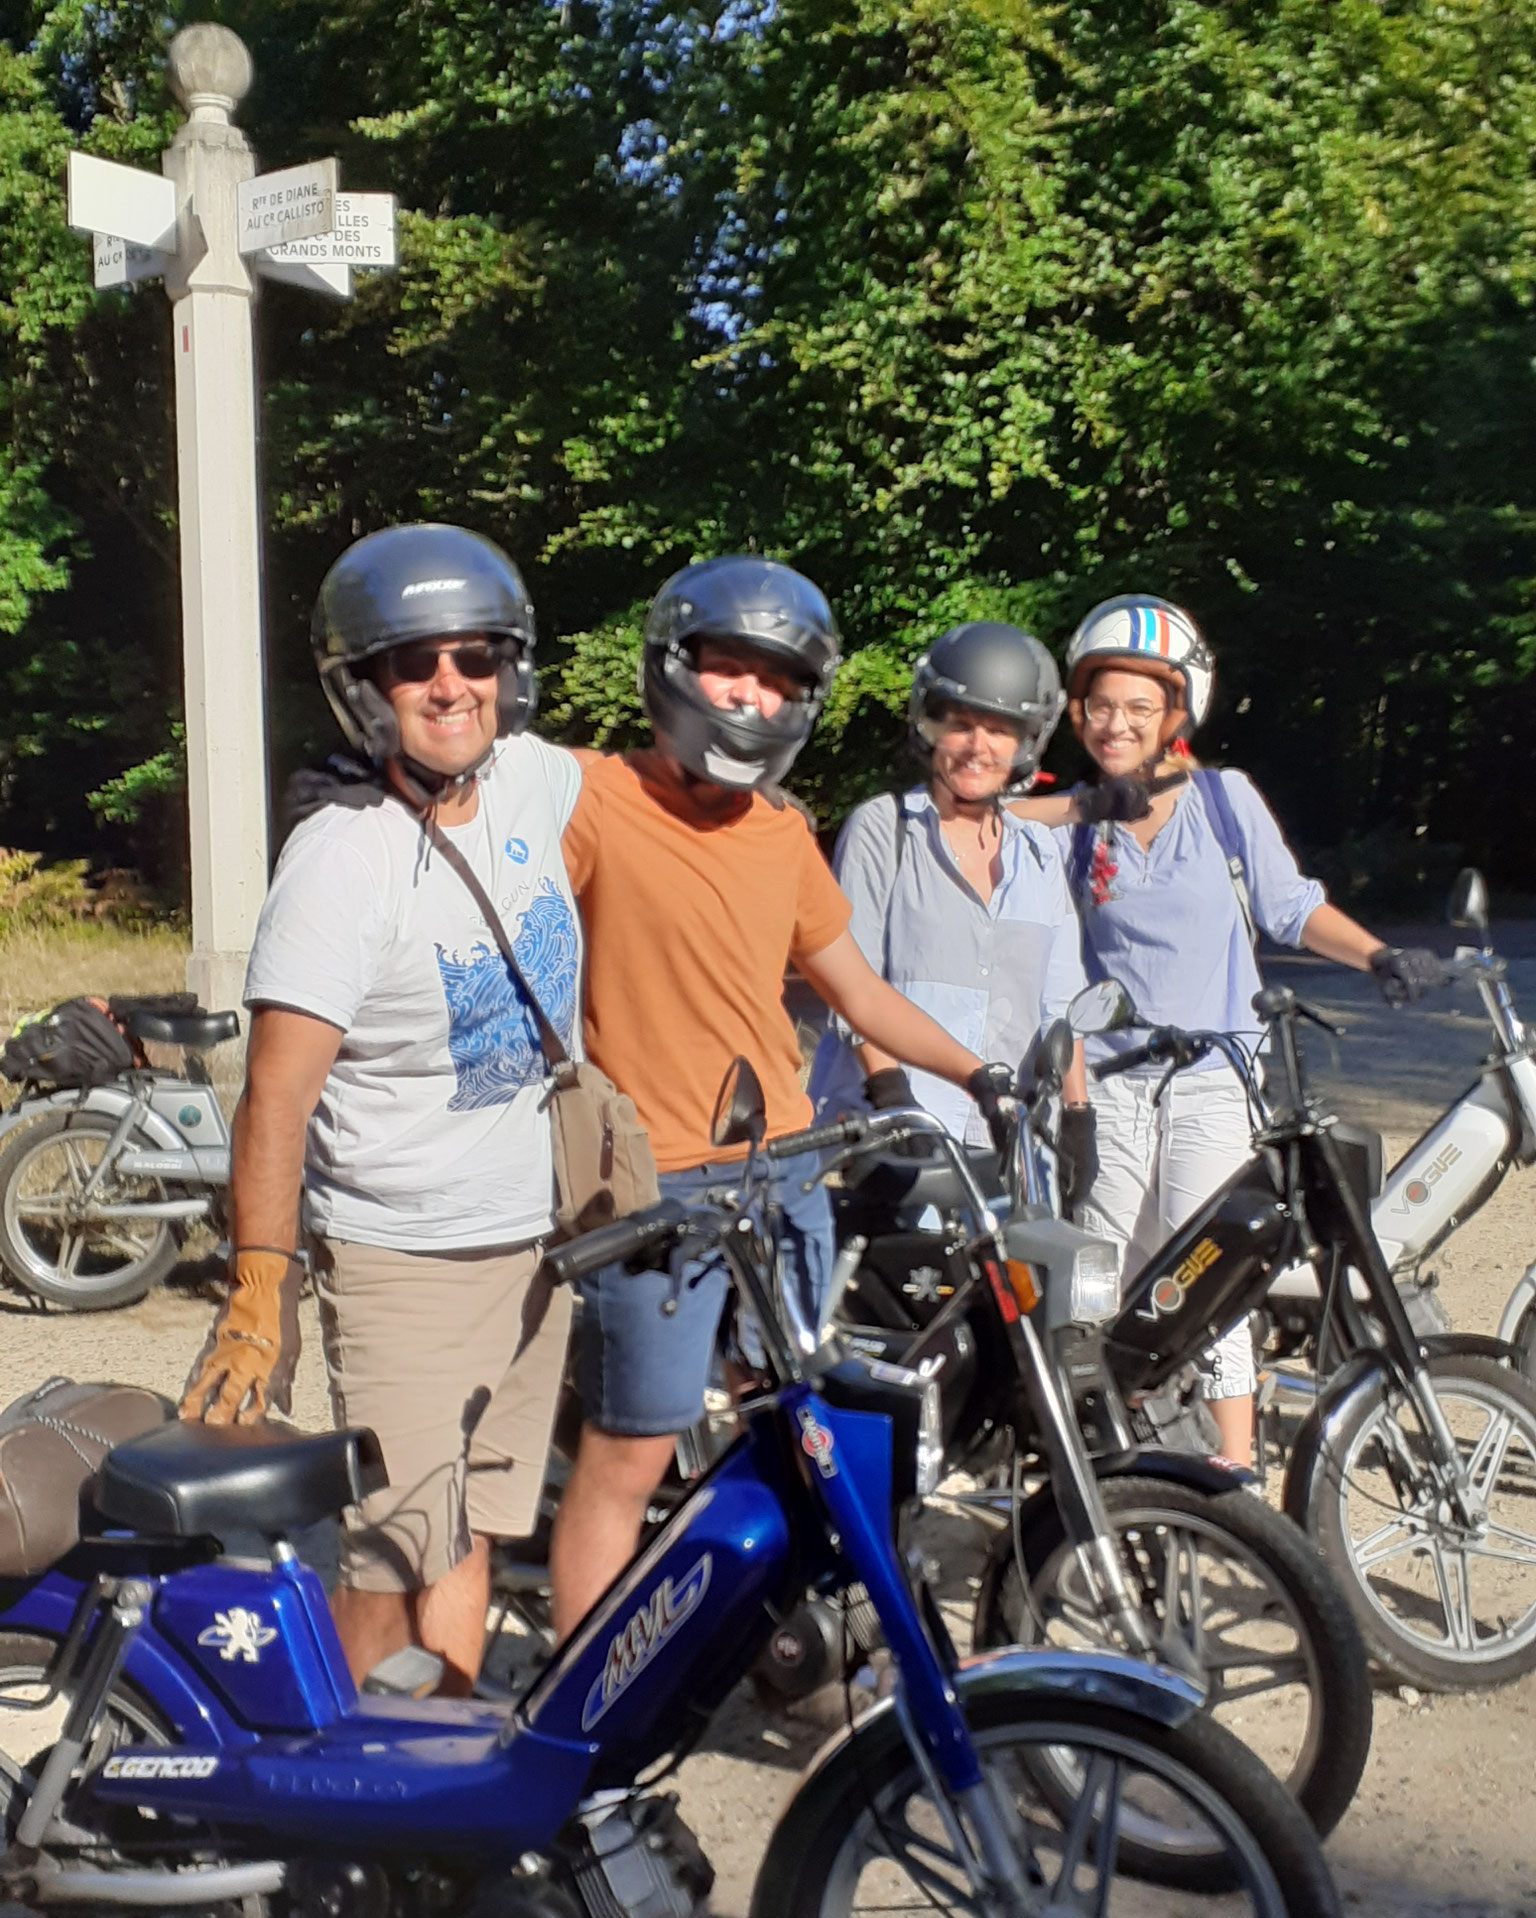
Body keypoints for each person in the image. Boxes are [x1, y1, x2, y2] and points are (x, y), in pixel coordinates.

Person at [549, 558, 1024, 1639]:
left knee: (796, 1417)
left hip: (784, 1170)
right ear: (676, 669)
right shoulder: (589, 796)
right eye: (727, 670)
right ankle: (584, 1704)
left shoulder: (779, 832)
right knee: (629, 1446)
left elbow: (853, 987)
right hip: (653, 1186)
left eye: (774, 681)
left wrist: (974, 1071)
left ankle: (786, 1642)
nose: (748, 699)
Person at [180, 524, 579, 1695]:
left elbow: (669, 795)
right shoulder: (341, 861)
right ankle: (350, 1812)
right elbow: (274, 1101)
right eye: (415, 663)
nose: (450, 684)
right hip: (407, 1255)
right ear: (364, 687)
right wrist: (262, 1281)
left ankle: (439, 1768)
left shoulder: (531, 777)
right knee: (390, 1551)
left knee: (474, 1525)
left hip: (536, 1237)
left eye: (474, 654)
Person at [1018, 593, 1443, 1469]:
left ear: (1176, 711)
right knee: (1099, 1267)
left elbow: (1291, 908)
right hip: (1112, 1080)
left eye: (1140, 706)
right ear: (1076, 711)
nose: (1116, 723)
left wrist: (1376, 957)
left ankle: (1234, 1463)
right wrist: (1052, 807)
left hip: (1216, 1074)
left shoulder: (1223, 800)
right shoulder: (1078, 822)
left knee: (1211, 1264)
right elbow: (983, 824)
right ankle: (1101, 1449)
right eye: (1100, 705)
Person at [808, 621, 1096, 1200]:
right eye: (960, 724)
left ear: (1026, 744)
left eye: (999, 730)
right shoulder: (884, 830)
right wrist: (891, 1094)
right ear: (929, 726)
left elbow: (1060, 1003)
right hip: (898, 1132)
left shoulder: (1038, 854)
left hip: (1008, 1142)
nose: (977, 746)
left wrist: (1079, 1115)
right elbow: (853, 985)